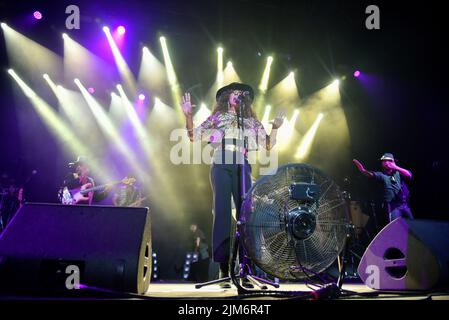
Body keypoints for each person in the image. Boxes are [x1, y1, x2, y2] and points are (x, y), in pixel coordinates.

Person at [181, 82, 284, 288]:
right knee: (221, 212)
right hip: (221, 163)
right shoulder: (217, 118)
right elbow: (194, 136)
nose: (238, 95)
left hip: (242, 164)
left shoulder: (250, 121)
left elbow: (268, 144)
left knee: (245, 215)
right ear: (226, 96)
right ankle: (223, 266)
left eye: (241, 93)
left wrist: (274, 128)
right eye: (234, 92)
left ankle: (245, 268)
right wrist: (188, 117)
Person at [353, 153, 413, 222]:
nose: (385, 163)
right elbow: (370, 174)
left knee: (412, 226)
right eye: (383, 161)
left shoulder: (398, 172)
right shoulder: (381, 175)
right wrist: (362, 170)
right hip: (393, 206)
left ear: (392, 162)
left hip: (404, 204)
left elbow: (409, 175)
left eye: (387, 161)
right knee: (395, 227)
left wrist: (395, 167)